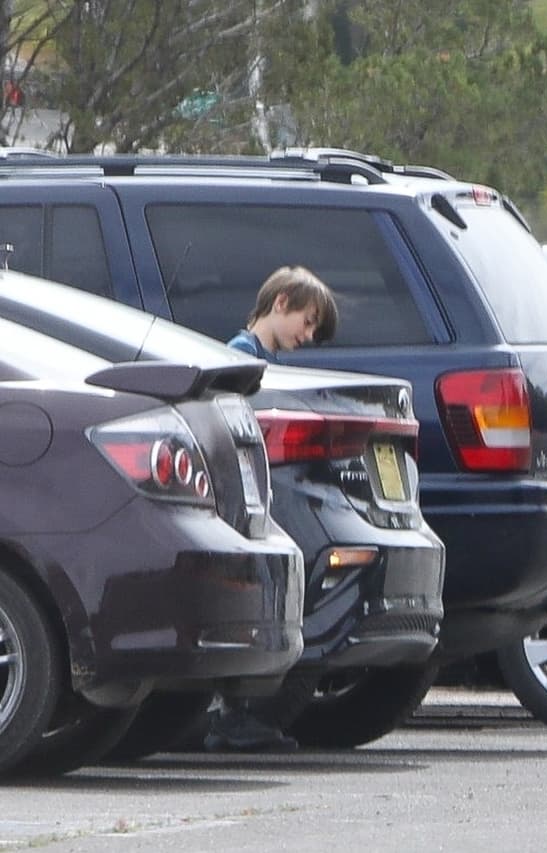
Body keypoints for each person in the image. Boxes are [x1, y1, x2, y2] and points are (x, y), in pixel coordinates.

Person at [209, 265, 337, 753]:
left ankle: (238, 716)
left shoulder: (260, 357)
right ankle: (232, 717)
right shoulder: (243, 357)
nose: (307, 336)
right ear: (279, 302)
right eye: (306, 322)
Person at [227, 265, 338, 361]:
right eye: (308, 322)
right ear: (281, 303)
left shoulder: (272, 360)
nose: (310, 336)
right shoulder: (243, 350)